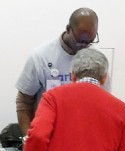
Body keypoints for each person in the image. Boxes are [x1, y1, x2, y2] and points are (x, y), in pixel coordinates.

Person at [15, 7, 100, 135]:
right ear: (68, 29)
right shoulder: (41, 56)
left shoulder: (96, 58)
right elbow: (23, 102)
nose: (85, 45)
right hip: (48, 137)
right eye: (81, 41)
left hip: (82, 136)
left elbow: (102, 103)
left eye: (90, 41)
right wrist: (30, 140)